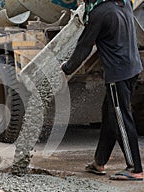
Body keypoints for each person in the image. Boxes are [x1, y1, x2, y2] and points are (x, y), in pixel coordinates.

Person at [61, 0, 143, 180]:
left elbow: (84, 47)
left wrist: (66, 68)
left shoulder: (99, 14)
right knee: (110, 115)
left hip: (118, 74)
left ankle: (135, 168)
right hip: (133, 68)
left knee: (121, 118)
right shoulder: (124, 3)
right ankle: (99, 162)